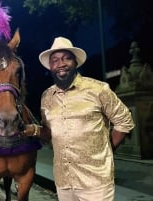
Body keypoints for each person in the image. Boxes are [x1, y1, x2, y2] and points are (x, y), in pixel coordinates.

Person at [25, 37, 135, 201]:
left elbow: (124, 120)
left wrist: (107, 149)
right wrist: (31, 130)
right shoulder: (47, 96)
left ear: (75, 62)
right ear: (51, 67)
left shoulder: (98, 89)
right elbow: (49, 132)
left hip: (95, 181)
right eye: (55, 60)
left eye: (66, 58)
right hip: (64, 181)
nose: (60, 63)